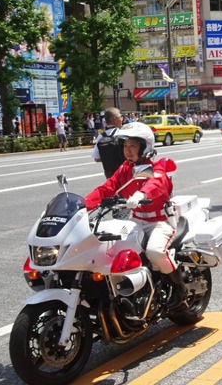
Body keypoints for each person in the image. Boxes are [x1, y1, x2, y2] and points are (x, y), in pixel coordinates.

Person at [84, 122, 186, 310]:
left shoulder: (155, 167)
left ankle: (180, 287)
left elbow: (156, 183)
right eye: (125, 146)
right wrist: (83, 205)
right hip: (137, 220)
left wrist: (141, 195)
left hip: (160, 221)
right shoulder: (125, 168)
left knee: (155, 251)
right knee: (111, 249)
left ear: (144, 146)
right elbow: (107, 188)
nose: (128, 150)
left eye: (133, 146)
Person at [92, 107, 125, 178]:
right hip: (124, 172)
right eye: (121, 117)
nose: (122, 119)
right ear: (115, 119)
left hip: (110, 174)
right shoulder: (123, 133)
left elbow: (96, 158)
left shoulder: (101, 136)